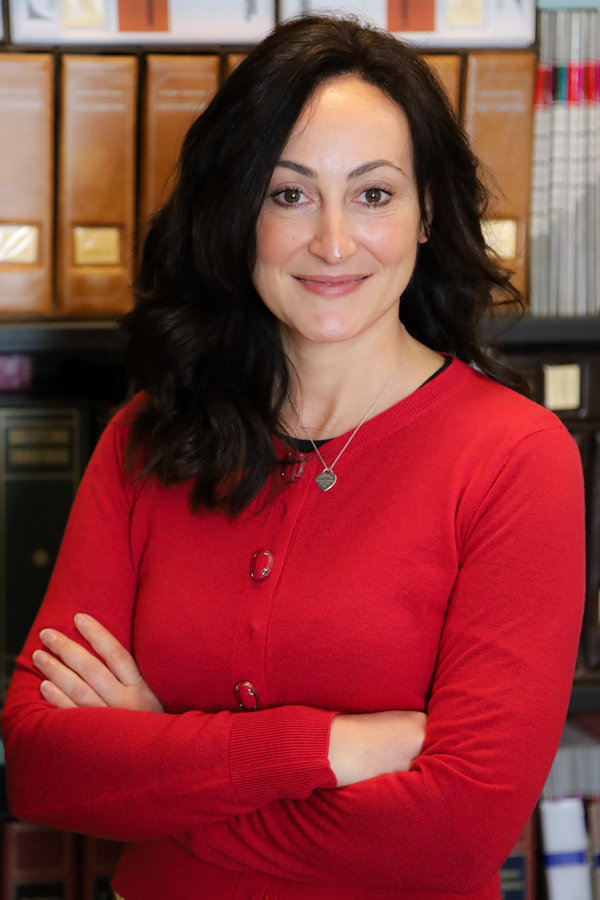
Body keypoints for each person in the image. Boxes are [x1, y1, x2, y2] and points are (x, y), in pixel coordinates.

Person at [0, 15, 585, 900]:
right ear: (238, 212)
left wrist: (158, 763)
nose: (335, 243)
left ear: (429, 211)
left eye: (374, 194)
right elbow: (44, 769)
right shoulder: (147, 436)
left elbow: (453, 840)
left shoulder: (515, 457)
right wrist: (327, 749)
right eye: (289, 194)